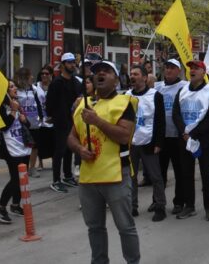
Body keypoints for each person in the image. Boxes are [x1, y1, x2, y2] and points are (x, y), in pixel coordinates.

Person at [67, 60, 140, 264]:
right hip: (89, 178)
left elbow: (125, 136)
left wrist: (97, 121)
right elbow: (71, 137)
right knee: (94, 227)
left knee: (125, 226)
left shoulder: (125, 103)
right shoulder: (84, 104)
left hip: (116, 175)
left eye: (106, 71)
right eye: (97, 71)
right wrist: (79, 148)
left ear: (116, 79)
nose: (100, 74)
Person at [172, 60, 209, 221]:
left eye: (196, 68)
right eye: (191, 68)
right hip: (184, 139)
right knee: (186, 174)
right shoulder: (182, 90)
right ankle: (189, 206)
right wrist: (184, 132)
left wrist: (194, 134)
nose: (192, 70)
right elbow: (176, 114)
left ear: (204, 72)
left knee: (206, 174)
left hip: (203, 139)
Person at [126, 65, 167, 221]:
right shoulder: (126, 95)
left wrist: (159, 143)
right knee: (131, 177)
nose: (132, 76)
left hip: (149, 142)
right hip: (131, 142)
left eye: (136, 74)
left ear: (144, 77)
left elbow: (160, 121)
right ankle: (132, 206)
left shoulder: (155, 95)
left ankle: (160, 207)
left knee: (156, 177)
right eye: (131, 73)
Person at [0, 81, 32, 224]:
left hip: (23, 146)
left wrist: (24, 119)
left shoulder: (17, 103)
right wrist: (14, 111)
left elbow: (27, 125)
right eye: (11, 87)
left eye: (15, 86)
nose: (15, 88)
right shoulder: (1, 108)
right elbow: (4, 127)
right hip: (10, 148)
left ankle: (15, 205)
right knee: (15, 179)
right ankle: (0, 208)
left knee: (23, 178)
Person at [155, 59, 188, 216]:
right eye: (166, 67)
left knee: (179, 171)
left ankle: (179, 202)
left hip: (178, 136)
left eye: (172, 68)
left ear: (178, 70)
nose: (168, 70)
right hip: (161, 137)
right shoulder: (157, 87)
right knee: (159, 172)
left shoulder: (184, 87)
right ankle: (158, 201)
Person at [45, 52, 81, 193]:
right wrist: (52, 116)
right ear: (63, 65)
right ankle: (56, 180)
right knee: (59, 151)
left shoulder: (75, 82)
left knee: (69, 150)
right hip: (60, 122)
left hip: (72, 121)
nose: (73, 64)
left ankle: (67, 175)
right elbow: (50, 103)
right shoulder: (57, 83)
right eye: (70, 62)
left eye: (73, 62)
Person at [14, 67, 43, 178]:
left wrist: (40, 116)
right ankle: (22, 167)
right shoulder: (16, 90)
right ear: (24, 78)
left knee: (34, 146)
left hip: (34, 123)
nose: (32, 77)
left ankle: (32, 168)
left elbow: (38, 103)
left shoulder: (34, 89)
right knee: (23, 146)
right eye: (29, 75)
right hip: (22, 123)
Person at [33, 65, 54, 173]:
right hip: (40, 120)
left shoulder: (54, 86)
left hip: (52, 119)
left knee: (53, 142)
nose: (44, 75)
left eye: (47, 73)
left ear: (51, 75)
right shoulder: (36, 87)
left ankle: (55, 162)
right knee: (40, 142)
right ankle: (40, 164)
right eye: (42, 74)